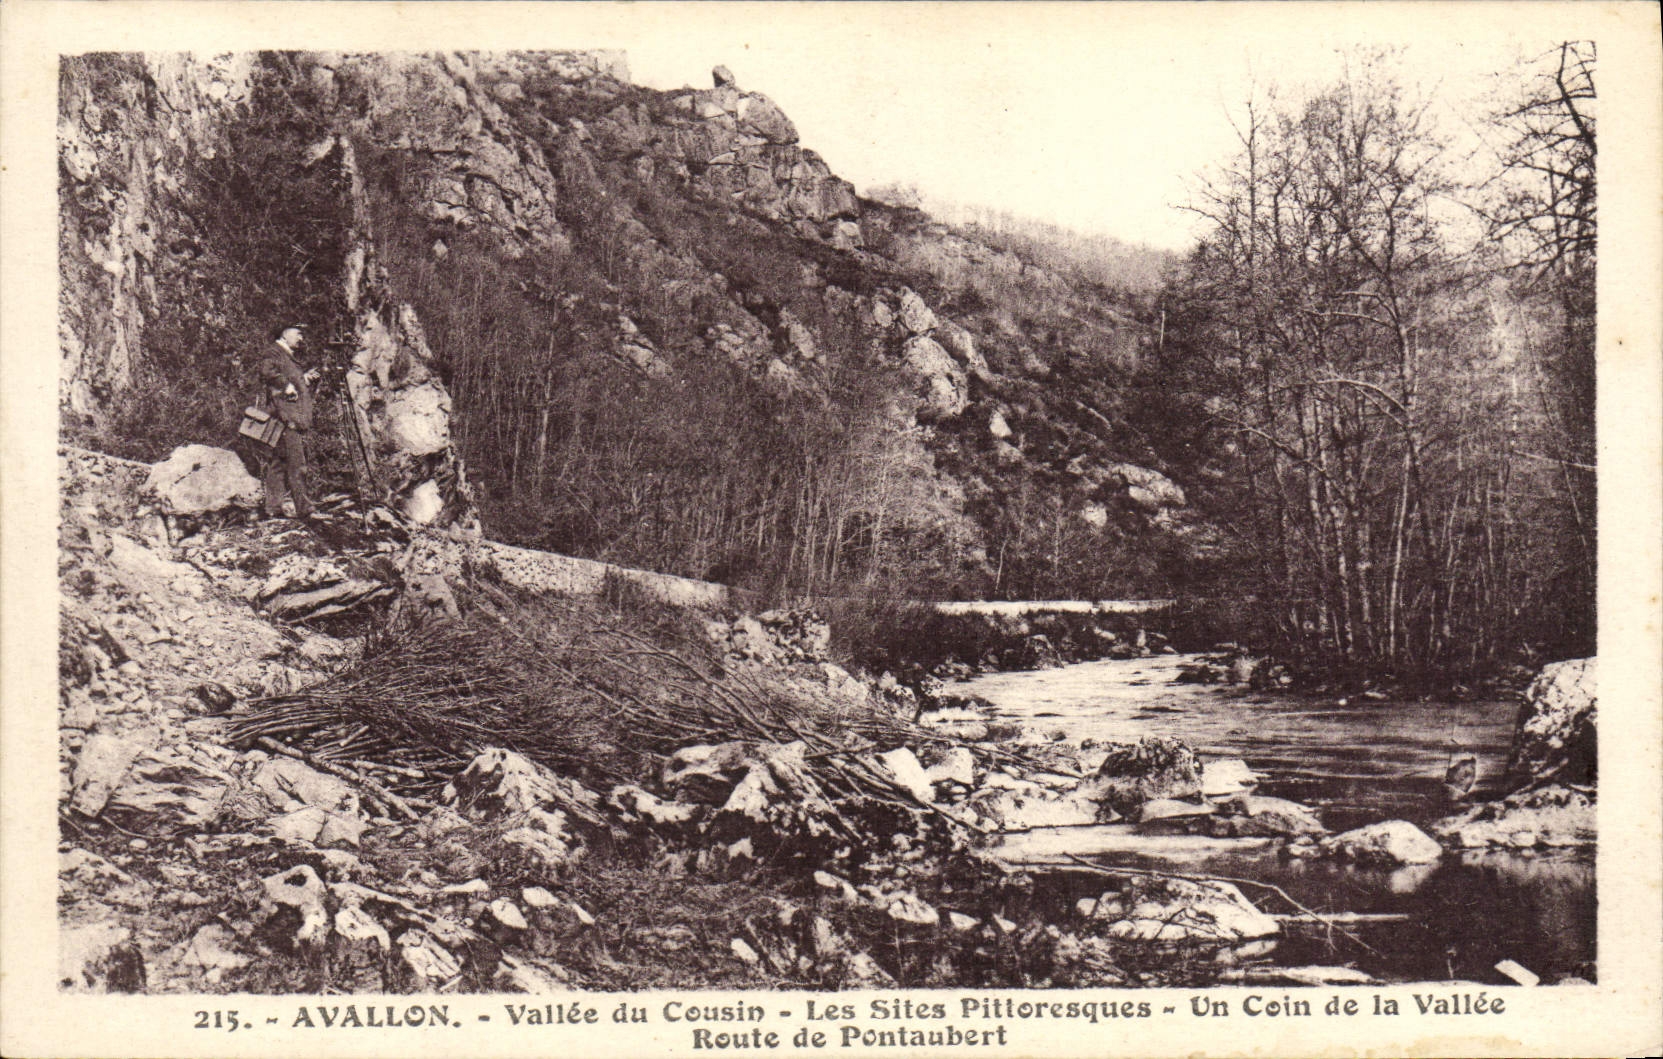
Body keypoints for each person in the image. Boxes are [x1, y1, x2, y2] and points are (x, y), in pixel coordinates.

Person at [257, 322, 318, 519]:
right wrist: (285, 385)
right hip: (285, 416)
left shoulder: (285, 356)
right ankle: (305, 509)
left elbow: (287, 378)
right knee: (297, 463)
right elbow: (267, 372)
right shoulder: (274, 352)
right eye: (298, 333)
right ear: (284, 333)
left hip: (285, 416)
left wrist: (303, 379)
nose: (301, 338)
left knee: (279, 463)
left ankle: (272, 508)